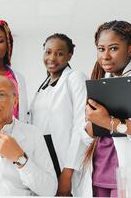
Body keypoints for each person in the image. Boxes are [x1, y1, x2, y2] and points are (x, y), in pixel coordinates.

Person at [83, 20, 131, 197]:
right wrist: (91, 125)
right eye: (101, 49)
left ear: (130, 49)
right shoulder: (99, 81)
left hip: (130, 171)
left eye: (113, 48)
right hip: (99, 170)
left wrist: (109, 122)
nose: (105, 56)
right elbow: (85, 135)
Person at [27, 33, 88, 196]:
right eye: (48, 52)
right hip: (43, 157)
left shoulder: (75, 78)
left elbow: (81, 126)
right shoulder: (42, 86)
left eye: (59, 53)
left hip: (65, 159)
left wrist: (68, 172)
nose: (52, 58)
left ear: (69, 55)